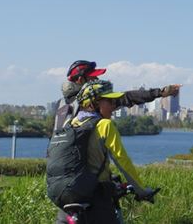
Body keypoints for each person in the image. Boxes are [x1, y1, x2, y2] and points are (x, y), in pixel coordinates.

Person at [55, 80, 162, 223]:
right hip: (96, 199)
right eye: (109, 101)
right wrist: (141, 190)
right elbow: (122, 160)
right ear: (94, 103)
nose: (113, 106)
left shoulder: (70, 124)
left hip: (66, 201)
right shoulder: (105, 125)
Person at [53, 60, 181, 133]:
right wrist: (160, 92)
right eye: (93, 77)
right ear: (81, 80)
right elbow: (128, 97)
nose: (97, 79)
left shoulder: (62, 104)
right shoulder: (89, 103)